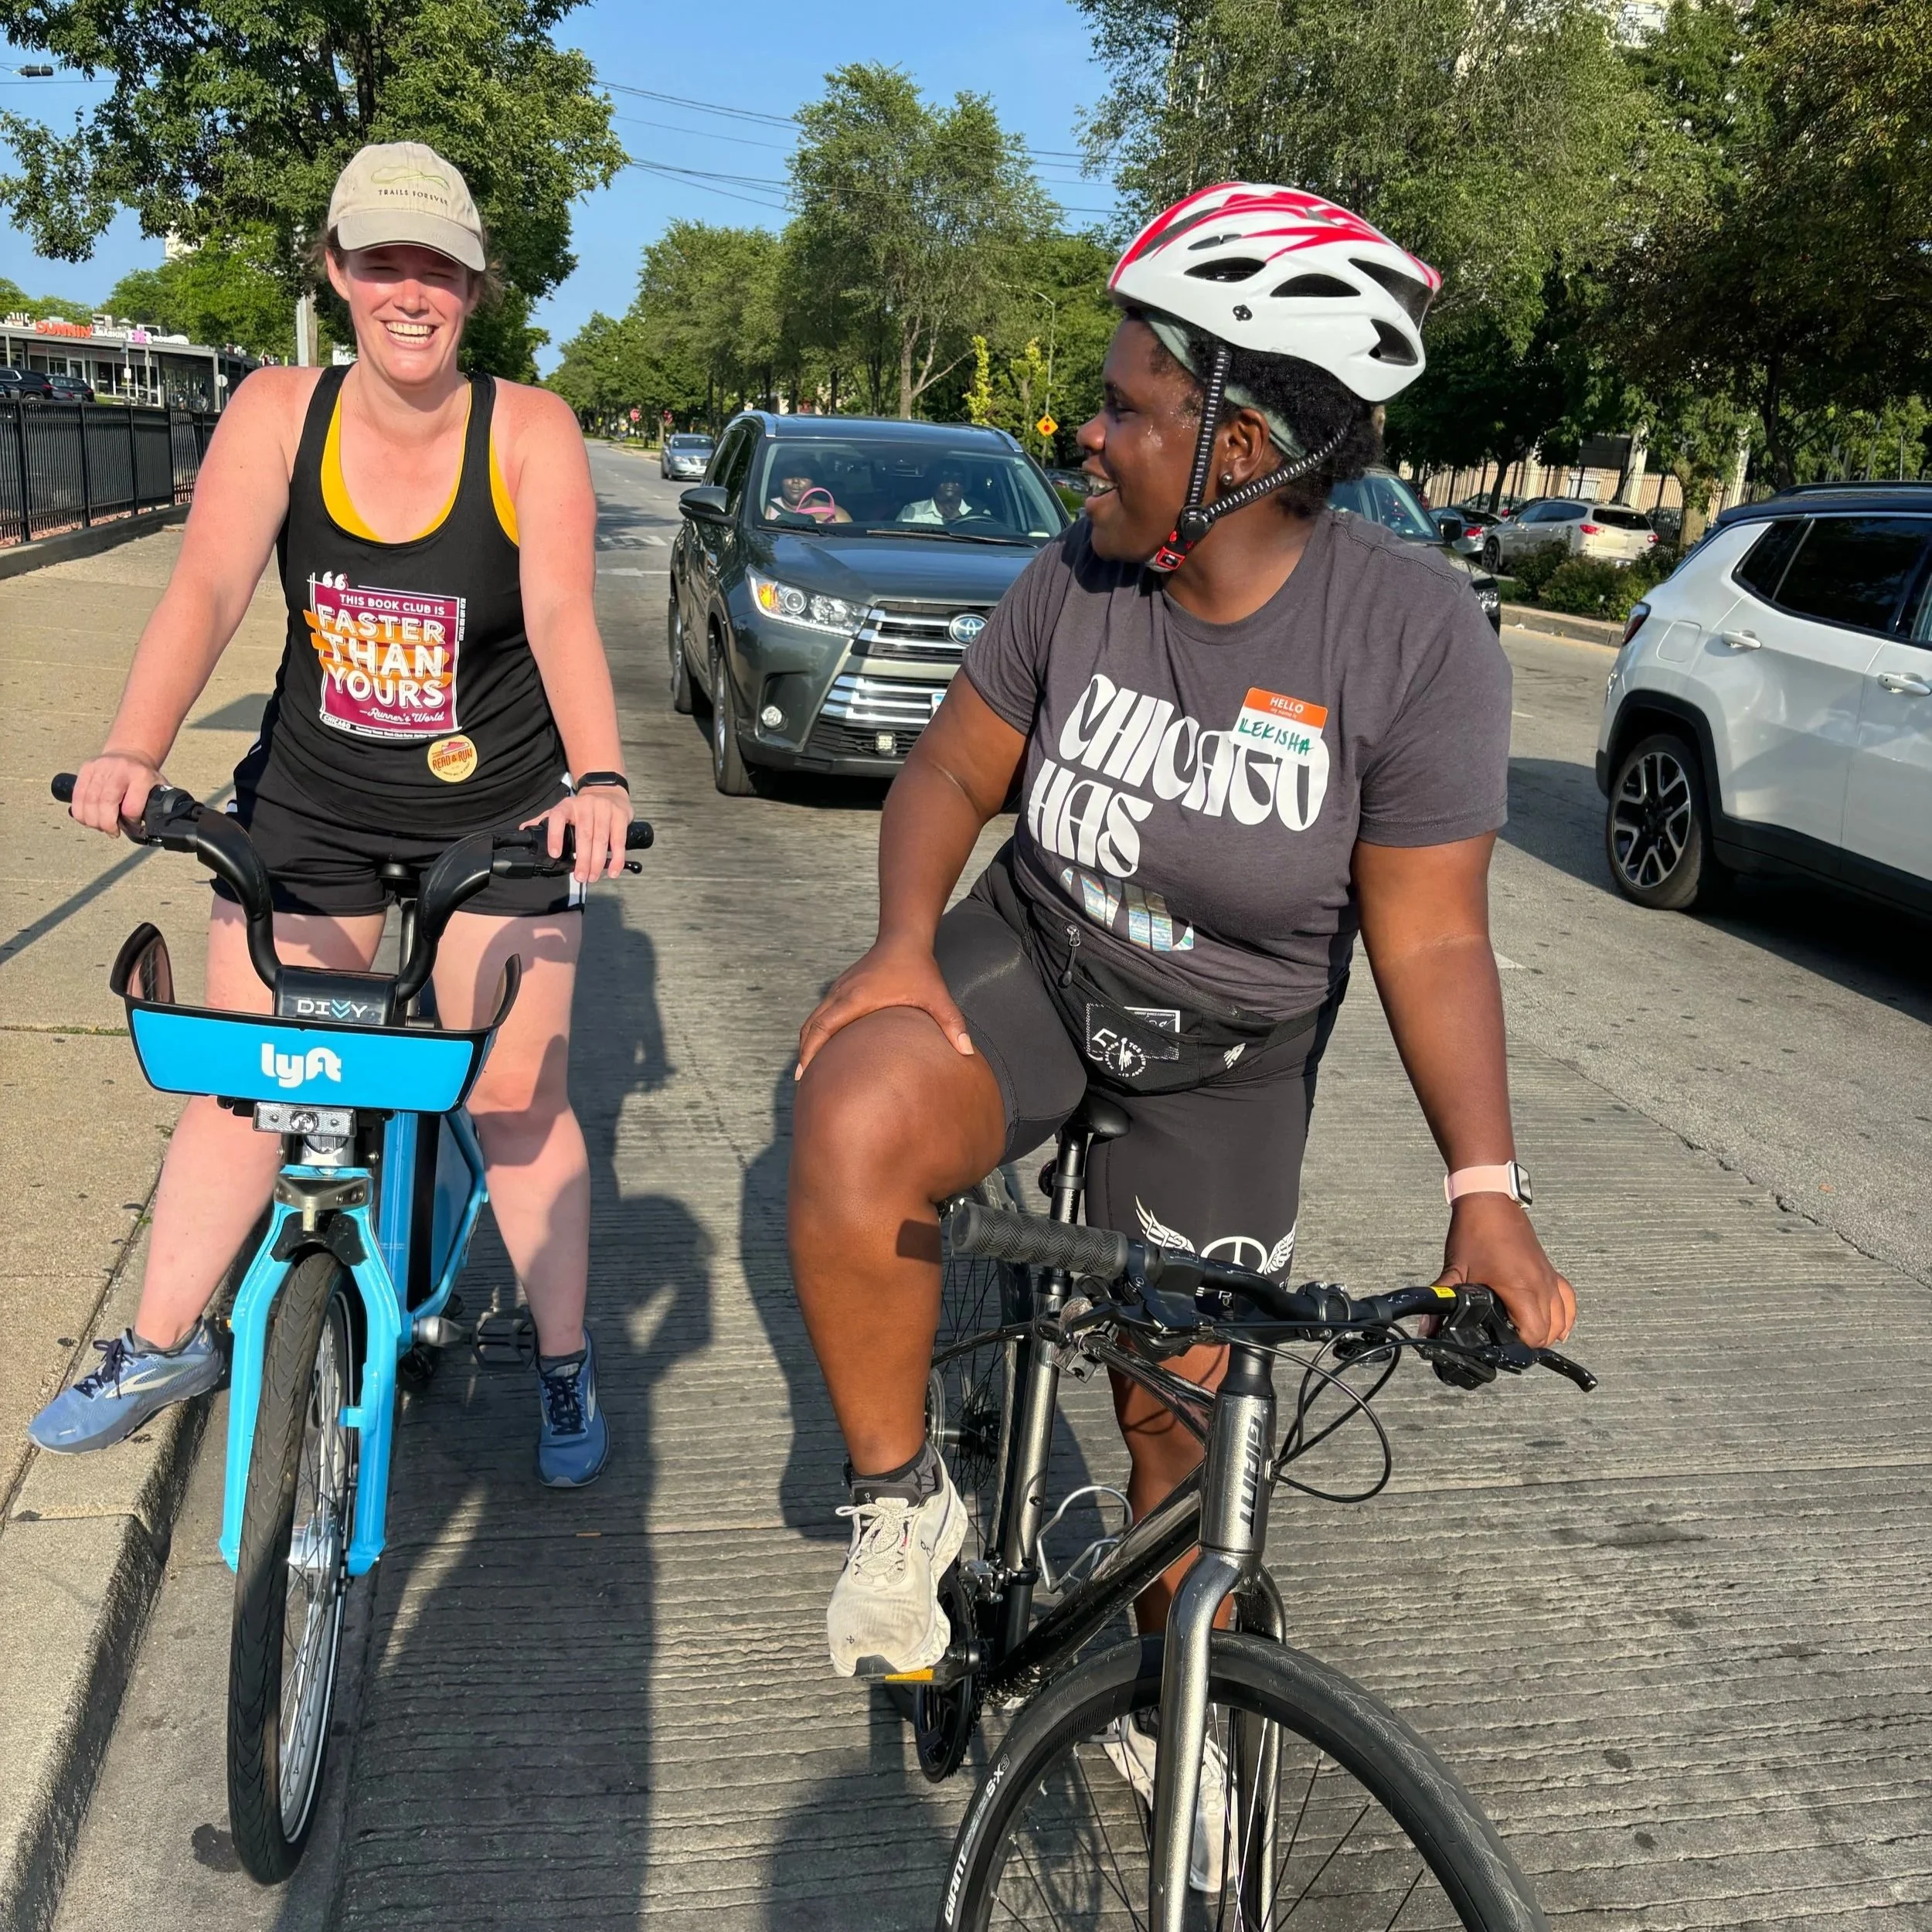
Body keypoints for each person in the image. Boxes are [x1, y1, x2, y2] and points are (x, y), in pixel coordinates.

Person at [788, 183, 1577, 1694]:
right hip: (1044, 959)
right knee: (849, 1110)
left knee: (1174, 1422)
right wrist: (899, 941)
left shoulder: (1409, 639)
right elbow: (954, 767)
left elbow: (1429, 943)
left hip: (1222, 1061)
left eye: (1120, 408)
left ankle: (1181, 1712)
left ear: (1232, 445)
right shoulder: (1070, 576)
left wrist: (1484, 1190)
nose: (1086, 435)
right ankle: (902, 1503)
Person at [31, 141, 633, 1488]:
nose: (407, 293)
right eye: (379, 262)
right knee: (256, 1081)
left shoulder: (525, 429)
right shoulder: (276, 412)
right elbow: (207, 589)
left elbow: (558, 617)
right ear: (336, 270)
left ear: (474, 286)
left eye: (437, 268)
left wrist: (599, 779)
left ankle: (561, 1355)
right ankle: (162, 1338)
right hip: (310, 804)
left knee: (521, 1091)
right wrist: (136, 747)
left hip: (499, 814)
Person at [896, 464, 978, 526]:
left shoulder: (979, 515)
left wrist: (962, 522)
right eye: (944, 477)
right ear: (934, 482)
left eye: (957, 478)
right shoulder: (912, 512)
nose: (950, 481)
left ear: (966, 485)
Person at [767, 465, 850, 523]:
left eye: (803, 476)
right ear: (781, 482)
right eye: (790, 475)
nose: (796, 481)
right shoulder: (766, 508)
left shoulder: (835, 513)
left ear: (814, 483)